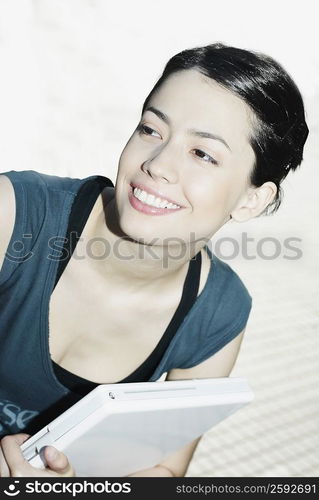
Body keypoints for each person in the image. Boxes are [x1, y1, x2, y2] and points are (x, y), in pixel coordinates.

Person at [0, 42, 308, 477]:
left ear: (252, 200)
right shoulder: (14, 216)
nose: (158, 164)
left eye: (202, 153)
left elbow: (163, 472)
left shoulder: (216, 311)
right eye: (151, 130)